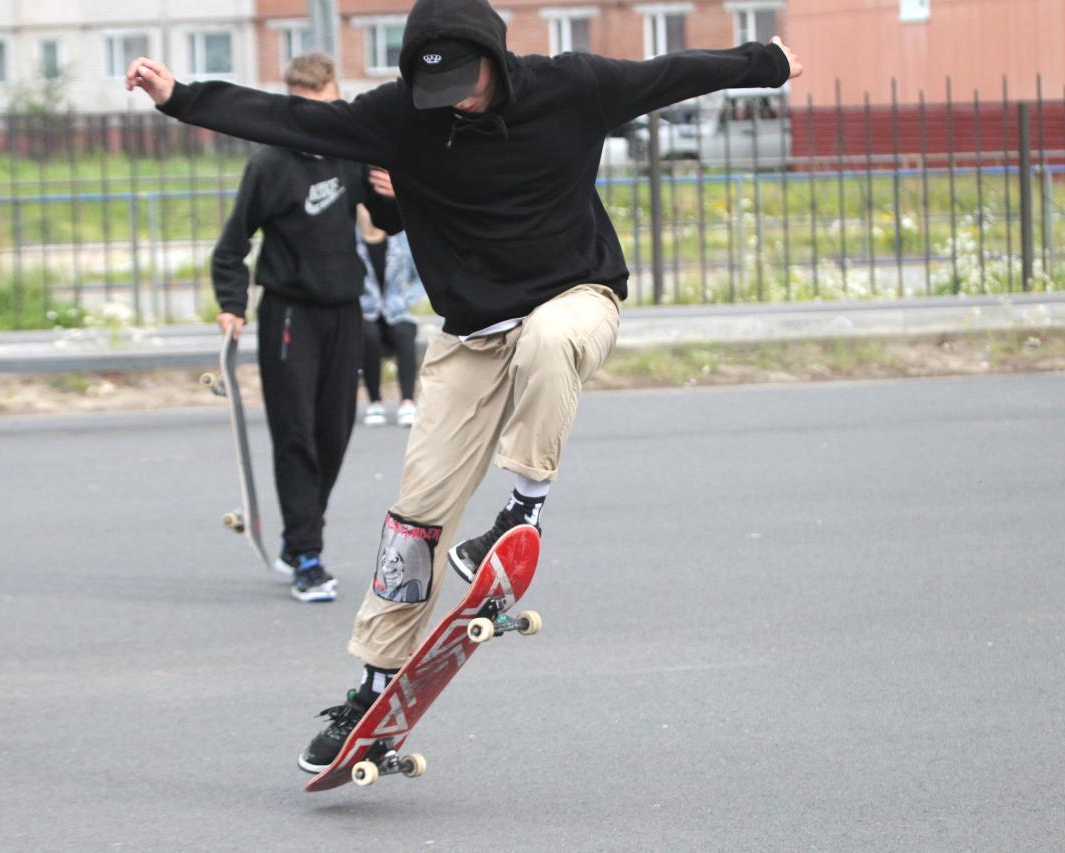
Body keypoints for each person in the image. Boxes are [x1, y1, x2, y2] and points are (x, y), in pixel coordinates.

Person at [126, 0, 802, 771]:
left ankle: (523, 512)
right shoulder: (400, 114)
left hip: (576, 299)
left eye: (467, 83)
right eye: (436, 87)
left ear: (494, 55)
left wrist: (767, 62)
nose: (456, 100)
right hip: (469, 339)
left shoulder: (574, 85)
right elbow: (290, 121)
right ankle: (373, 683)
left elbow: (672, 72)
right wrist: (183, 97)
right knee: (412, 522)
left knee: (548, 338)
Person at [208, 52, 399, 603]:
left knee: (334, 433)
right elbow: (231, 247)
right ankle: (308, 555)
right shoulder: (269, 165)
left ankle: (300, 535)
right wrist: (231, 303)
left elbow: (387, 223)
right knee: (296, 435)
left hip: (345, 311)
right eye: (305, 110)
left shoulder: (351, 155)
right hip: (289, 314)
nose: (318, 121)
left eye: (326, 108)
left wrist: (394, 198)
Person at [355, 205, 425, 428]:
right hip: (366, 312)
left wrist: (404, 300)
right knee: (368, 335)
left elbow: (420, 276)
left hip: (397, 310)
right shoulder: (350, 240)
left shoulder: (401, 238)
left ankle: (407, 401)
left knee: (404, 332)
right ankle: (375, 401)